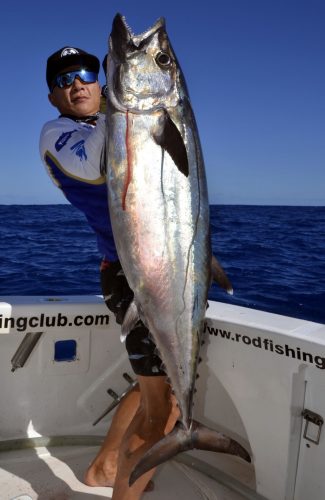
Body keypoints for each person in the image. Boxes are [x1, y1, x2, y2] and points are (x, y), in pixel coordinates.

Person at [40, 46, 179, 499]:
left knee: (153, 388)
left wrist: (122, 104)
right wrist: (123, 104)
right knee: (165, 407)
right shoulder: (56, 135)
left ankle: (104, 469)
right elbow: (102, 166)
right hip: (131, 275)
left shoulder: (113, 119)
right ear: (53, 98)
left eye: (85, 75)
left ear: (99, 82)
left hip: (163, 267)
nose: (76, 84)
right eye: (64, 81)